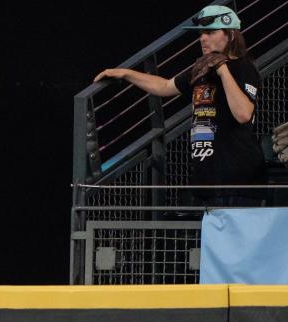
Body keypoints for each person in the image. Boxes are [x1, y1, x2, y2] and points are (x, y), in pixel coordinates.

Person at [94, 5, 264, 206]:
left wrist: (223, 70)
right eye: (201, 34)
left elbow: (243, 114)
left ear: (231, 35)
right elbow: (164, 86)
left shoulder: (242, 68)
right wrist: (125, 73)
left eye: (210, 32)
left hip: (237, 179)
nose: (203, 38)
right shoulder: (202, 69)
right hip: (208, 177)